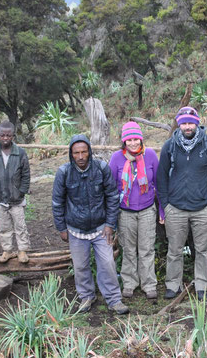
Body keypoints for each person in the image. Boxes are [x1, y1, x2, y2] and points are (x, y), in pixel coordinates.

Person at [52, 134, 129, 315]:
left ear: (89, 152)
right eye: (76, 153)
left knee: (108, 263)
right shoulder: (64, 172)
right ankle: (86, 296)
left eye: (84, 152)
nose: (80, 157)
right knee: (80, 266)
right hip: (76, 229)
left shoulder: (101, 169)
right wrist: (61, 227)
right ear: (71, 154)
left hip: (101, 228)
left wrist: (110, 224)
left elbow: (111, 196)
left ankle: (113, 299)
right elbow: (57, 202)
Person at [156, 107, 207, 301]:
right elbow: (161, 177)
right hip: (176, 208)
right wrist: (166, 204)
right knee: (174, 250)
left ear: (197, 123)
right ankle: (172, 284)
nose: (187, 126)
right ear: (178, 123)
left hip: (203, 208)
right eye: (183, 123)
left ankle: (202, 284)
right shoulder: (170, 146)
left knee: (203, 249)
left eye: (190, 122)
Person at [109, 121, 164, 300]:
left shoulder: (150, 156)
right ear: (124, 142)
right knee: (128, 249)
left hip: (147, 209)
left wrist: (161, 211)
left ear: (141, 139)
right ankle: (130, 283)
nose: (133, 143)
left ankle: (149, 284)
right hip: (125, 212)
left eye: (136, 139)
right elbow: (110, 188)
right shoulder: (116, 158)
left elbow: (159, 183)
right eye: (129, 140)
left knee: (147, 249)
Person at [0, 120, 31, 264]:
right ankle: (7, 250)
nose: (5, 138)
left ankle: (22, 250)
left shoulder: (20, 153)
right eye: (2, 135)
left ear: (13, 136)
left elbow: (26, 174)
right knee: (3, 227)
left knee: (20, 225)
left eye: (8, 135)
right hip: (0, 198)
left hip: (17, 199)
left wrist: (21, 191)